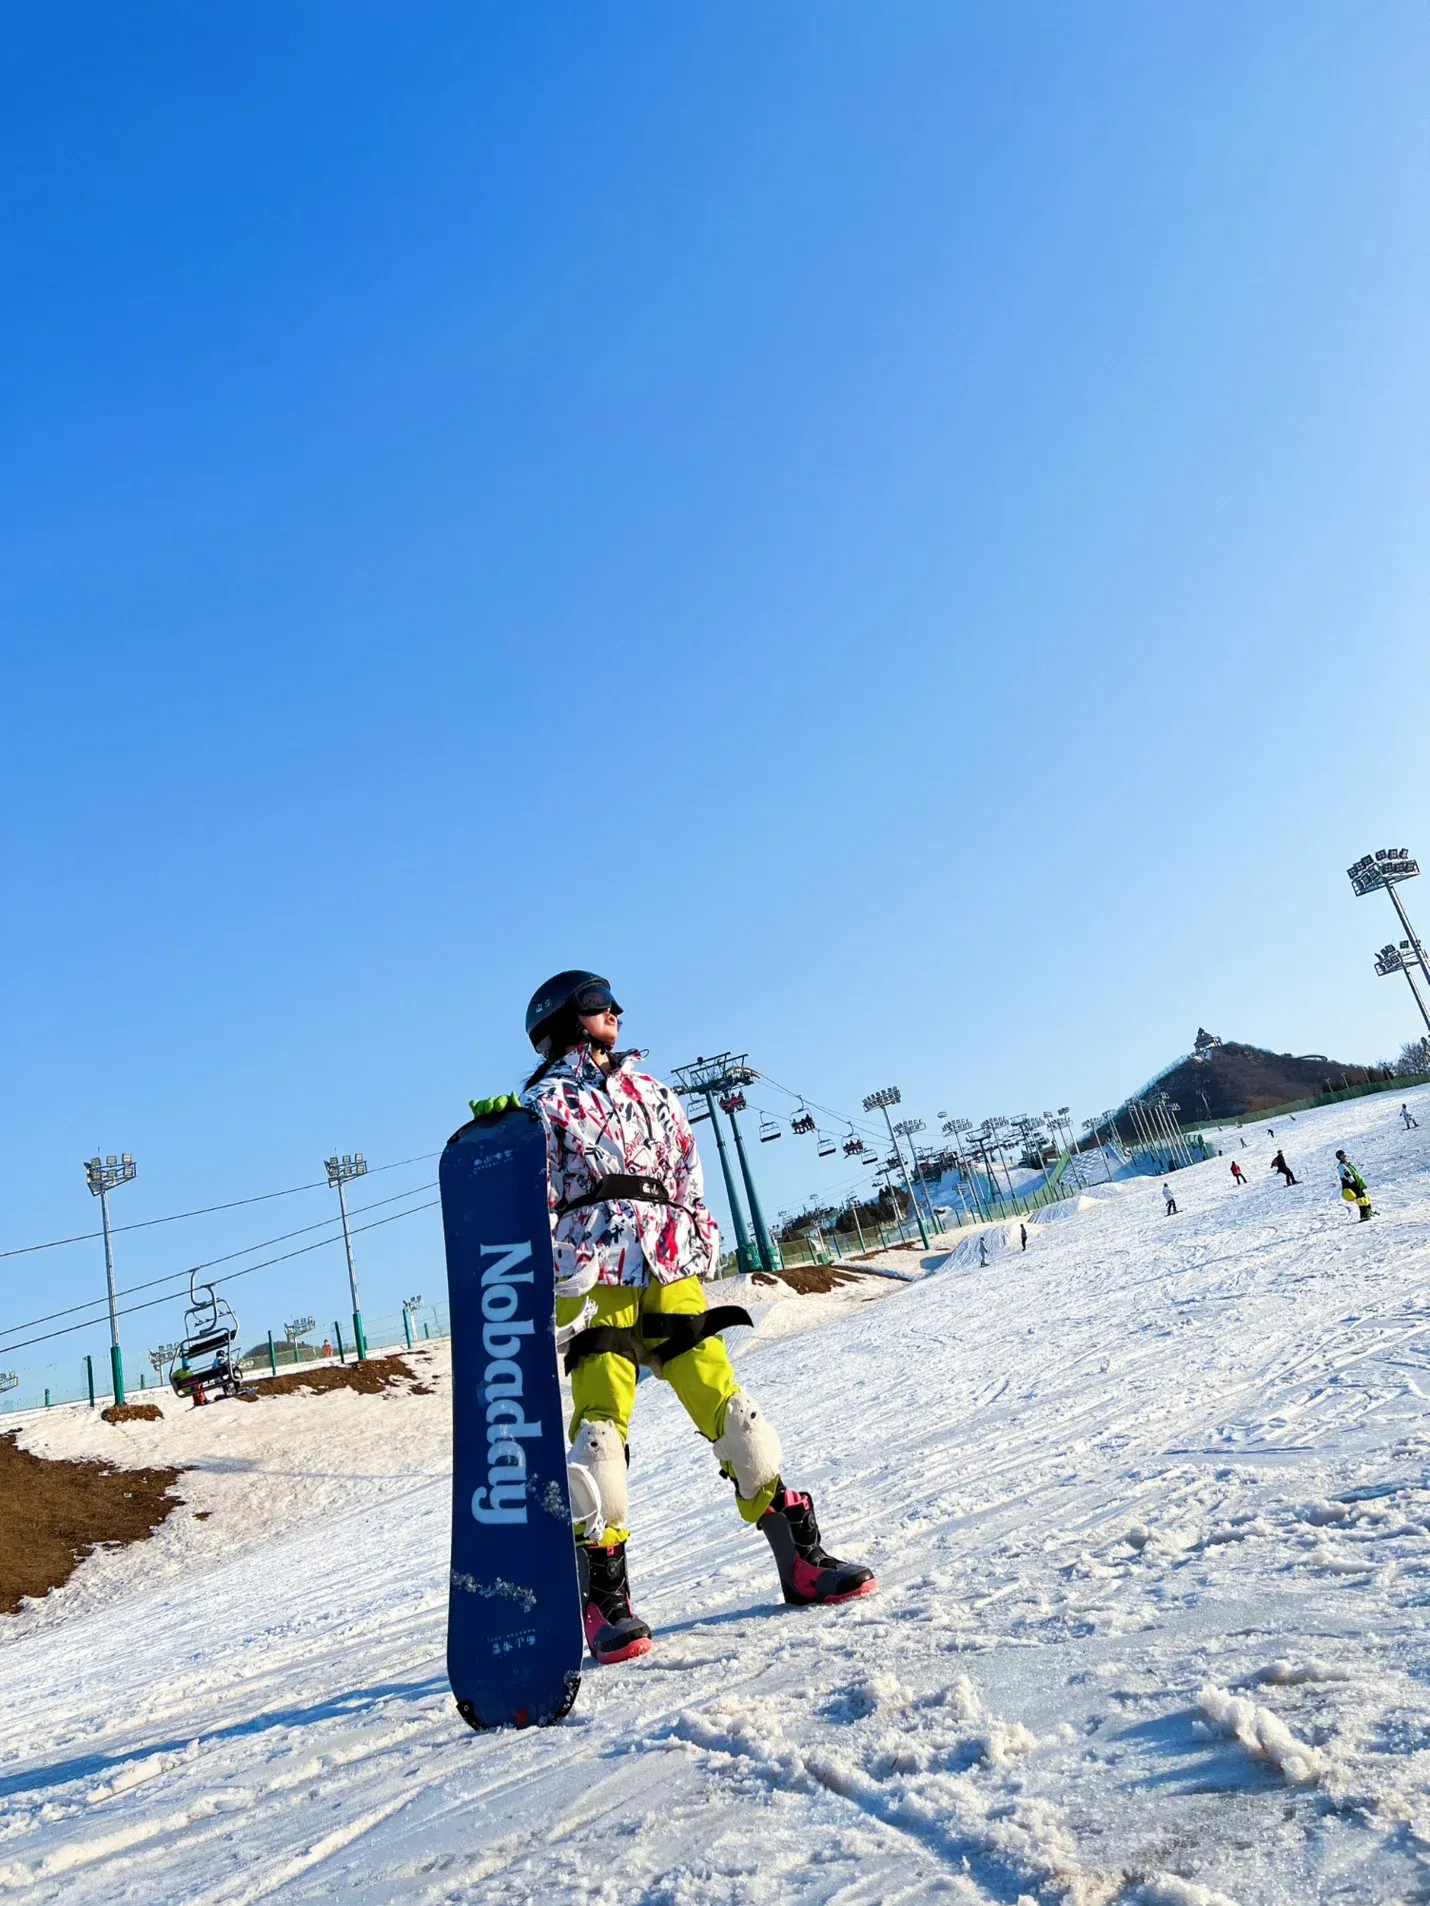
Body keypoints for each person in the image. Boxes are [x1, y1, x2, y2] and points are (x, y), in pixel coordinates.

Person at [469, 971, 874, 1666]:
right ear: (567, 1020)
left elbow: (687, 1168)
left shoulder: (653, 1091)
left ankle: (800, 1561)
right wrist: (515, 1180)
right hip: (594, 1264)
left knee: (733, 1410)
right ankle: (604, 1596)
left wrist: (701, 1230)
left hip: (669, 1259)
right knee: (600, 1432)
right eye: (601, 1006)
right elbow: (532, 1195)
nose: (616, 1015)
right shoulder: (544, 1102)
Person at [1335, 1149, 1373, 1222]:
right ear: (1339, 1158)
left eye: (1344, 1155)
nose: (1344, 1157)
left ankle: (1368, 1211)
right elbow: (1348, 1175)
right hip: (1351, 1184)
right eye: (1342, 1156)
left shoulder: (1348, 1164)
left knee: (1364, 1196)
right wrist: (1354, 1184)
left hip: (1355, 1183)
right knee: (1360, 1199)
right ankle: (1364, 1215)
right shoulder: (1342, 1166)